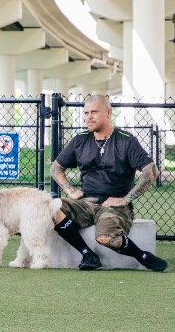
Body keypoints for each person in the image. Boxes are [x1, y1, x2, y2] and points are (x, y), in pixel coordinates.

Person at [50, 94, 167, 271]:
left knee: (106, 237)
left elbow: (151, 170)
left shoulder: (126, 140)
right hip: (86, 203)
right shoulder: (79, 140)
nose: (89, 117)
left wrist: (126, 199)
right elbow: (56, 168)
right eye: (86, 112)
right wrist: (70, 190)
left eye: (94, 112)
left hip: (114, 205)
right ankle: (88, 254)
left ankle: (142, 255)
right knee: (49, 208)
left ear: (108, 112)